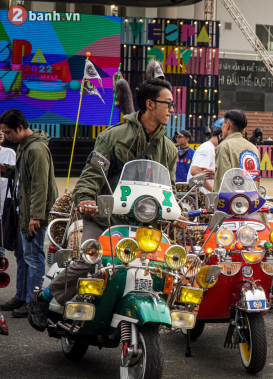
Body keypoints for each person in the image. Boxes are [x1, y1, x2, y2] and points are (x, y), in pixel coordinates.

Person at [28, 78, 187, 331]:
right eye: (167, 103)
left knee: (171, 263)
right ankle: (43, 299)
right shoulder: (113, 136)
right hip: (104, 218)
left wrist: (179, 211)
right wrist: (86, 200)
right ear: (149, 104)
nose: (171, 109)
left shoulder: (168, 148)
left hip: (144, 222)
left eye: (172, 104)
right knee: (90, 259)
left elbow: (169, 188)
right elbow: (90, 176)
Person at [0, 109, 57, 319]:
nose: (7, 137)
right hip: (23, 211)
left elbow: (40, 186)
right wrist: (5, 170)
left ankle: (34, 302)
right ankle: (21, 297)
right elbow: (22, 174)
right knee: (23, 256)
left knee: (34, 258)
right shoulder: (24, 146)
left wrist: (35, 217)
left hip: (33, 215)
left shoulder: (36, 150)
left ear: (21, 128)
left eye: (8, 133)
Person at [213, 110, 261, 192]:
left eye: (222, 124)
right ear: (243, 130)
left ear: (228, 125)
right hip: (252, 200)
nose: (222, 128)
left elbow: (224, 180)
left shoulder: (224, 146)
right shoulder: (253, 148)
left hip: (232, 201)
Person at [188, 125, 220, 193]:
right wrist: (214, 191)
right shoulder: (207, 148)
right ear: (220, 136)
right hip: (201, 197)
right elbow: (195, 171)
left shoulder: (211, 148)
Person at [0, 131, 16, 216]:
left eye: (2, 132)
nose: (1, 134)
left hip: (6, 196)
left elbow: (16, 175)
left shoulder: (10, 152)